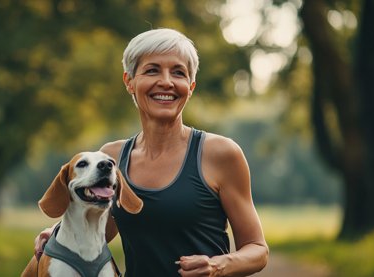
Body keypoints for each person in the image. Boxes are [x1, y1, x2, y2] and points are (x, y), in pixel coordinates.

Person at [34, 28, 268, 277]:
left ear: (190, 86)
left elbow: (258, 250)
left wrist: (218, 265)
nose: (166, 81)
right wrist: (59, 233)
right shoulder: (111, 158)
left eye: (178, 72)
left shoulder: (220, 153)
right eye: (152, 70)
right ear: (129, 82)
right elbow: (100, 228)